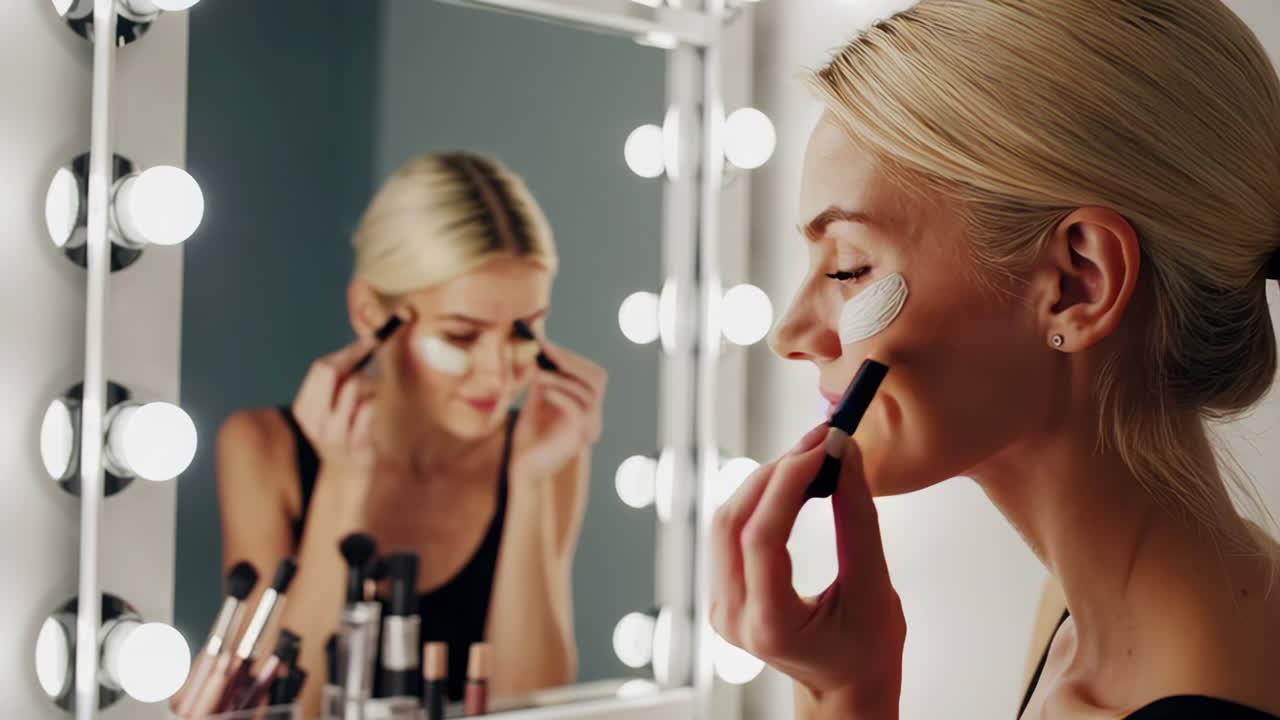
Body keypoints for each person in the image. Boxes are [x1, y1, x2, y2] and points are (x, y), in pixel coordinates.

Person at [710, 1, 1280, 718]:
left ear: (1080, 282)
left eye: (850, 268)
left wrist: (839, 699)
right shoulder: (1090, 622)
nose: (791, 333)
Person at [214, 152, 605, 716]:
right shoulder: (262, 448)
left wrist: (531, 483)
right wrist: (344, 482)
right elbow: (278, 707)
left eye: (525, 330)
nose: (501, 372)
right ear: (370, 312)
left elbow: (531, 705)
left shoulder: (548, 452)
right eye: (462, 336)